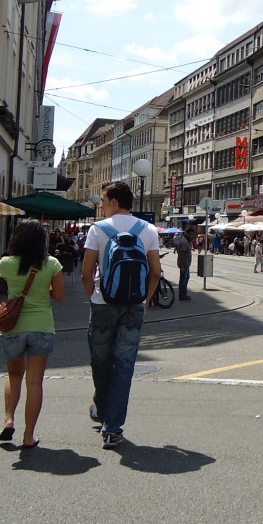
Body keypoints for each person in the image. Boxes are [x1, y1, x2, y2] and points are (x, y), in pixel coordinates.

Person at [80, 181, 162, 449]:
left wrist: (92, 296)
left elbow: (86, 272)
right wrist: (145, 300)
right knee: (124, 367)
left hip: (102, 304)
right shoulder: (147, 229)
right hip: (133, 306)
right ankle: (113, 428)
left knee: (100, 362)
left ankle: (101, 409)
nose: (102, 206)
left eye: (104, 201)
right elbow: (155, 271)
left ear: (114, 202)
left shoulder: (98, 229)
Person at [0, 221, 65, 449]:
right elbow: (59, 296)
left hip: (13, 326)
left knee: (14, 375)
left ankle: (8, 420)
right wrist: (43, 287)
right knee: (34, 382)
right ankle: (28, 436)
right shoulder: (52, 264)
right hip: (41, 326)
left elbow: (7, 283)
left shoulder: (6, 263)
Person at [174, 225, 195, 301]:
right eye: (191, 234)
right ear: (187, 233)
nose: (192, 236)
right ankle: (182, 295)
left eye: (192, 234)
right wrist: (182, 266)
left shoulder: (186, 241)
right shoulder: (184, 241)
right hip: (184, 264)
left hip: (186, 264)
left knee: (186, 278)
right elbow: (181, 254)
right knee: (183, 279)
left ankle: (184, 293)